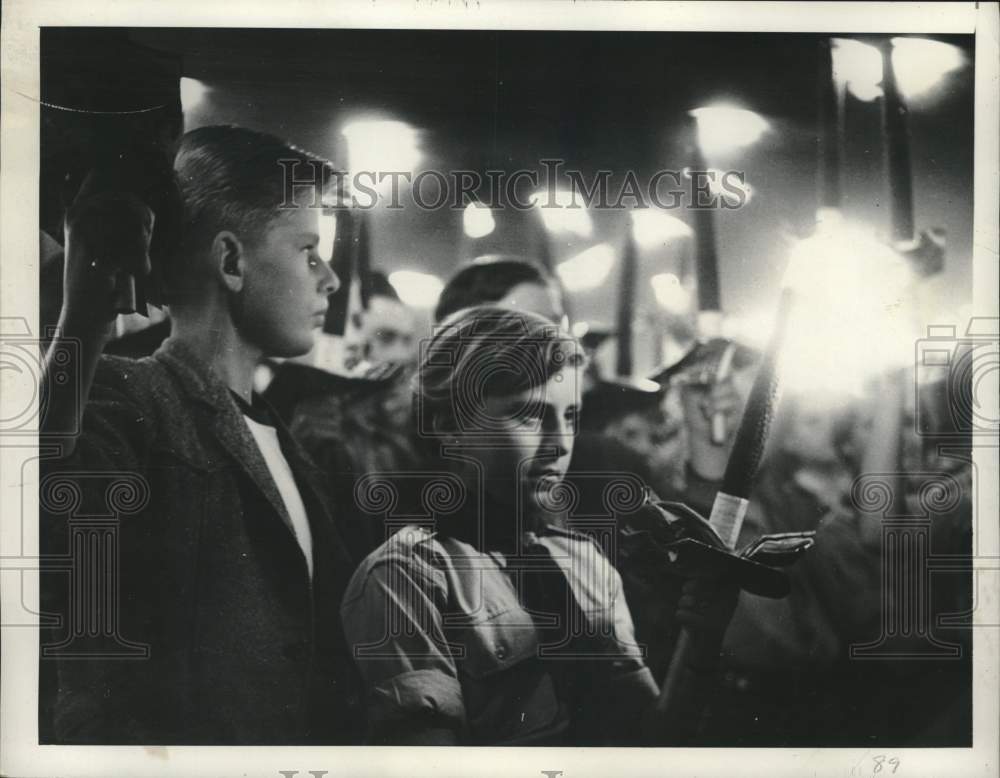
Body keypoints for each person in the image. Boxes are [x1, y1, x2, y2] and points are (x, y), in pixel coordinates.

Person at [40, 124, 361, 744]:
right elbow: (40, 516)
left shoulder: (288, 444)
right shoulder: (127, 399)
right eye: (308, 251)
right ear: (231, 261)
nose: (331, 280)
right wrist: (82, 317)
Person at [340, 307, 740, 746]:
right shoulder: (408, 577)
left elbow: (648, 739)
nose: (558, 443)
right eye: (529, 415)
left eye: (570, 416)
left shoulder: (585, 561)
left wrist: (700, 642)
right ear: (448, 426)